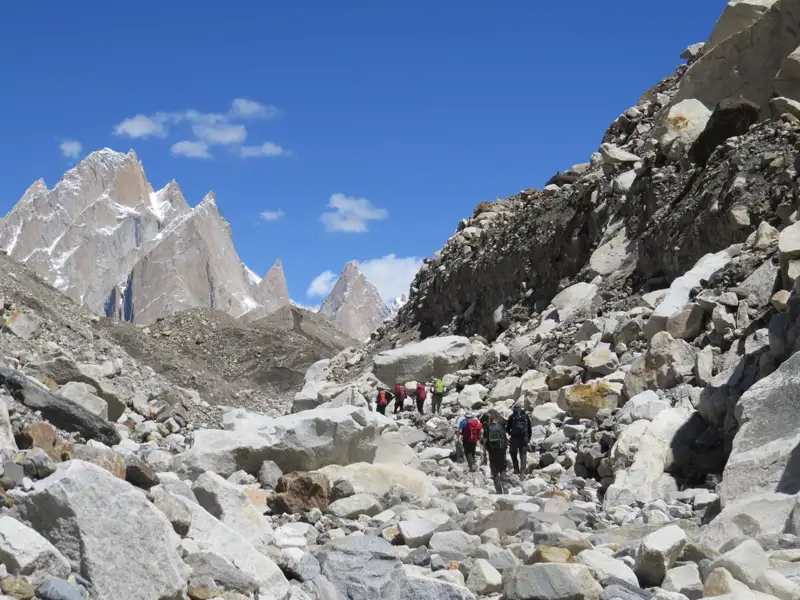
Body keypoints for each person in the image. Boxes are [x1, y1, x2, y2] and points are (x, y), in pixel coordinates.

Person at [484, 409, 508, 494]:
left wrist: (485, 452)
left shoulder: (487, 426)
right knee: (502, 469)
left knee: (494, 471)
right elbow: (506, 436)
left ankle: (498, 491)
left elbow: (485, 440)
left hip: (492, 451)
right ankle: (505, 488)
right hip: (502, 450)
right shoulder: (502, 423)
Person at [506, 402, 532, 475]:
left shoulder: (512, 417)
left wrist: (508, 436)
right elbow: (529, 428)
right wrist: (528, 439)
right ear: (521, 408)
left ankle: (516, 470)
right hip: (524, 438)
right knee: (523, 456)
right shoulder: (525, 416)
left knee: (513, 454)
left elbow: (507, 428)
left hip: (514, 439)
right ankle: (523, 472)